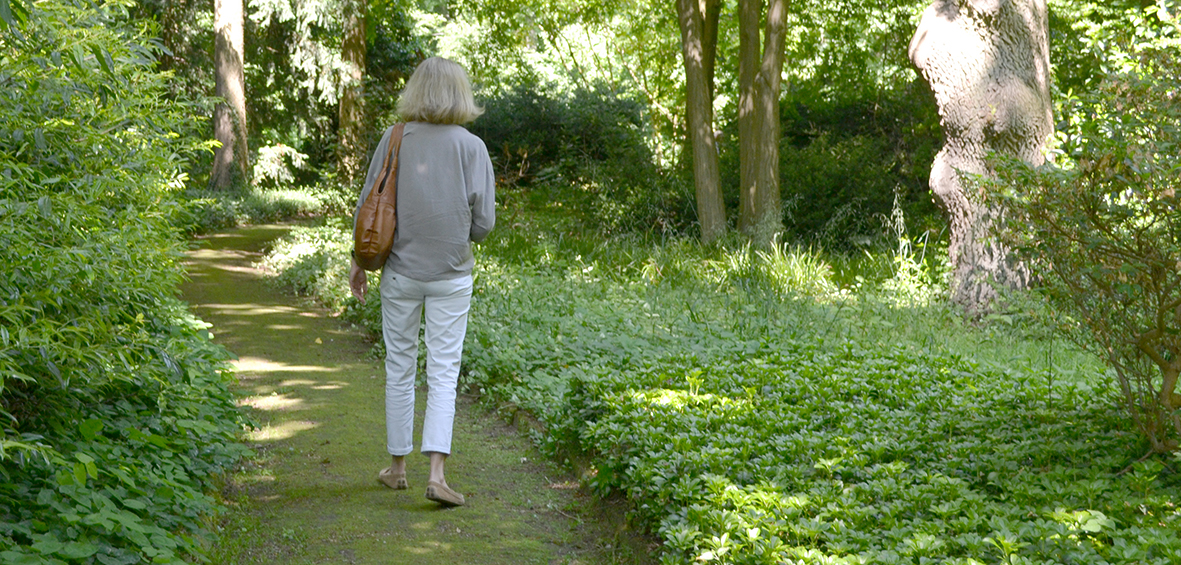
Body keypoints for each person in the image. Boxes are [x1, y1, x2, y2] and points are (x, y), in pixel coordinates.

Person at [349, 57, 495, 507]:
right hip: (452, 275)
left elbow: (369, 203)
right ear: (460, 93)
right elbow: (484, 225)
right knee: (444, 372)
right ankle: (437, 475)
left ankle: (397, 469)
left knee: (399, 366)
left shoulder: (394, 138)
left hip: (400, 273)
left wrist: (358, 261)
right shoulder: (472, 147)